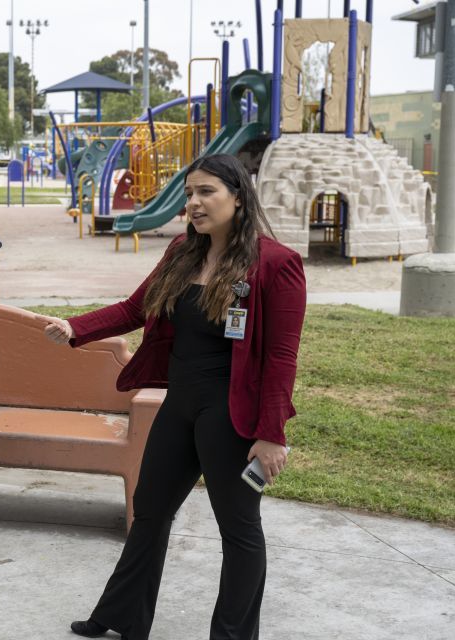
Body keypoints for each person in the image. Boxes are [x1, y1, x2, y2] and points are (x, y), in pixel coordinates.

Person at [40, 154, 306, 640]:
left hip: (231, 415)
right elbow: (135, 308)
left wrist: (272, 435)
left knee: (239, 528)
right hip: (180, 404)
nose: (193, 203)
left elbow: (281, 358)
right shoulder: (184, 251)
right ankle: (122, 616)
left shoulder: (276, 264)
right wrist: (75, 327)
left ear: (239, 198)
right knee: (150, 509)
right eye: (189, 193)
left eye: (206, 192)